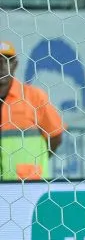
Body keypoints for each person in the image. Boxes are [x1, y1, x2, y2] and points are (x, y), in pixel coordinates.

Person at [0, 41, 64, 181]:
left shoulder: (34, 97)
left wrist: (37, 160)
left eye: (7, 61)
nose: (1, 67)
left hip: (28, 184)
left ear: (15, 65)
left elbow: (55, 136)